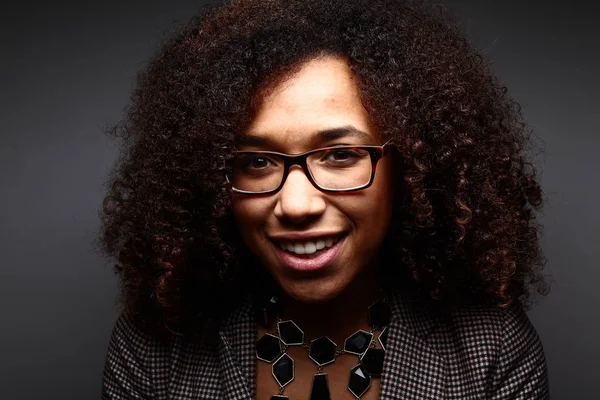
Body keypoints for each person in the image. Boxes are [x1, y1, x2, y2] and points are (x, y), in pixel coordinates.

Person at [97, 0, 550, 398]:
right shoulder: (155, 345)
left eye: (340, 155)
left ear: (410, 167)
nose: (296, 205)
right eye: (256, 162)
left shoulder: (491, 348)